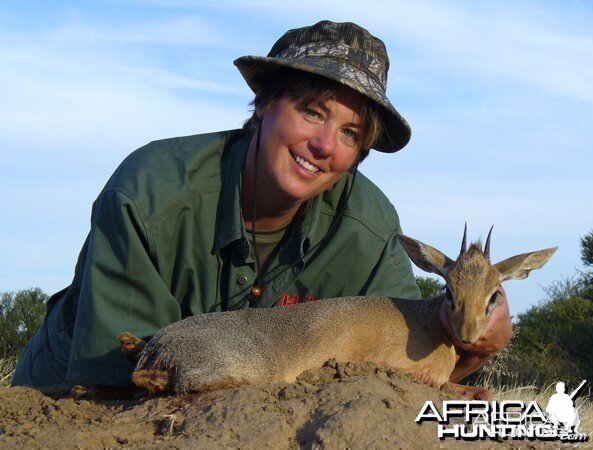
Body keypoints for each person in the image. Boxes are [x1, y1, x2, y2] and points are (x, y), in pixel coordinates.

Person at [12, 20, 512, 395]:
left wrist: (470, 346)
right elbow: (117, 377)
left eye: (350, 134)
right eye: (311, 111)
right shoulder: (152, 192)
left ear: (360, 154)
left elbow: (406, 373)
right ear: (263, 104)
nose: (322, 145)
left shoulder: (370, 227)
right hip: (78, 390)